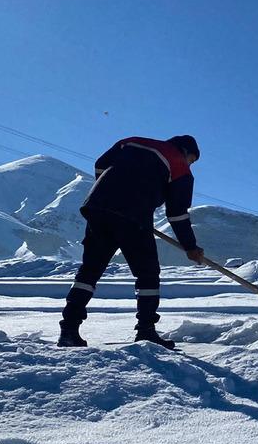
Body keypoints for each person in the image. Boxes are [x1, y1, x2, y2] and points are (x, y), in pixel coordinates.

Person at [58, 135, 205, 349]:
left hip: (98, 209)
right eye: (192, 160)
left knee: (89, 271)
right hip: (134, 217)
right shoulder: (180, 166)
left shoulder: (132, 142)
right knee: (147, 274)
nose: (191, 164)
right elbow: (177, 214)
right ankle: (146, 330)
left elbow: (100, 164)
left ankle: (69, 330)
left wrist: (111, 194)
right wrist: (190, 247)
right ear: (186, 152)